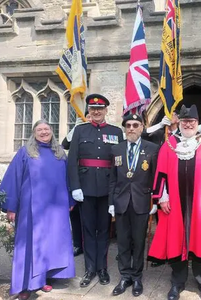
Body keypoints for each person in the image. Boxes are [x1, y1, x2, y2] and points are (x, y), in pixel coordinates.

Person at [147, 105, 201, 300]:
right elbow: (160, 173)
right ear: (179, 123)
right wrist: (162, 197)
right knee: (176, 239)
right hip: (174, 203)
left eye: (191, 122)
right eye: (184, 122)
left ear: (198, 124)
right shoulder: (170, 144)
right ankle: (177, 282)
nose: (188, 124)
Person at [0, 120, 75, 300]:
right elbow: (13, 178)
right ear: (34, 133)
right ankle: (25, 285)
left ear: (52, 132)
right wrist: (11, 206)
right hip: (30, 209)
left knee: (49, 243)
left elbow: (68, 179)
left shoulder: (60, 155)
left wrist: (70, 200)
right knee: (29, 245)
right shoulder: (25, 153)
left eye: (46, 129)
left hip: (54, 209)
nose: (43, 132)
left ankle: (43, 278)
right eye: (39, 130)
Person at [68, 94, 124, 287]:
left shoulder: (116, 132)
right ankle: (90, 269)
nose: (96, 111)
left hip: (107, 190)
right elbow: (72, 161)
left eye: (100, 108)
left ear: (106, 110)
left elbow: (119, 163)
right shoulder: (80, 131)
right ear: (89, 112)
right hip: (85, 189)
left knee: (104, 231)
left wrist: (117, 189)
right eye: (93, 109)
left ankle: (102, 268)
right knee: (88, 231)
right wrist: (75, 187)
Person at [108, 113, 159, 297]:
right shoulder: (116, 149)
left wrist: (156, 200)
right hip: (121, 202)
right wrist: (111, 203)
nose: (131, 128)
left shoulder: (152, 148)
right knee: (123, 242)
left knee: (138, 242)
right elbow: (112, 179)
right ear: (124, 128)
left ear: (142, 128)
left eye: (135, 125)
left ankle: (137, 277)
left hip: (142, 202)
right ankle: (125, 276)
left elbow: (156, 177)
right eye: (128, 125)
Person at [62, 110, 91, 257]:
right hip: (75, 177)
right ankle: (78, 244)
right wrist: (75, 128)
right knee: (75, 214)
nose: (89, 118)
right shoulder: (78, 131)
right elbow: (64, 145)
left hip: (91, 180)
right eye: (87, 116)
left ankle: (89, 245)